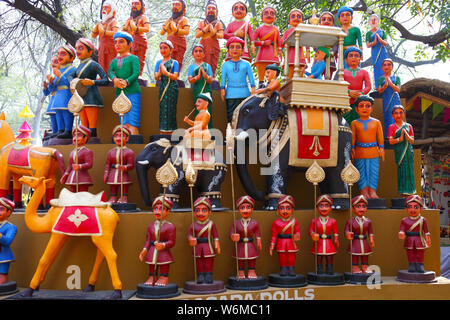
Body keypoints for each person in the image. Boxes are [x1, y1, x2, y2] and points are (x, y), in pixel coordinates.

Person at [71, 38, 109, 138]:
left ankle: (92, 138)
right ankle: (84, 140)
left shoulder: (93, 65)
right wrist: (73, 81)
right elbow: (70, 76)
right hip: (81, 97)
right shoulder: (78, 66)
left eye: (81, 48)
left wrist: (92, 82)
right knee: (83, 124)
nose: (78, 51)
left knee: (92, 125)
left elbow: (106, 80)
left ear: (90, 51)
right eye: (76, 48)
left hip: (92, 96)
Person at [351, 95, 385, 199]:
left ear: (372, 108)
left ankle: (372, 191)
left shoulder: (376, 122)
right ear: (356, 109)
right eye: (361, 106)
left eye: (368, 106)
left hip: (373, 151)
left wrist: (382, 148)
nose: (365, 108)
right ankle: (364, 192)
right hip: (359, 151)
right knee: (361, 172)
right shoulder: (354, 123)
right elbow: (352, 137)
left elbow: (380, 136)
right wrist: (352, 148)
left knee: (373, 171)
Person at [108, 31, 141, 135]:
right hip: (120, 93)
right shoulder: (113, 61)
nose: (117, 44)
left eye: (121, 42)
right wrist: (115, 80)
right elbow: (110, 71)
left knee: (133, 121)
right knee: (123, 120)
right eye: (116, 42)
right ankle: (123, 141)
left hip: (133, 92)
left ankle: (134, 141)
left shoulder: (133, 58)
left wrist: (127, 81)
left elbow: (136, 73)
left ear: (129, 44)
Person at [139, 196, 176, 286]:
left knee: (164, 263)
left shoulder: (170, 226)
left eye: (161, 209)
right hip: (152, 249)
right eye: (155, 208)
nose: (157, 211)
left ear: (168, 211)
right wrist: (144, 250)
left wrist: (163, 245)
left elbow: (172, 242)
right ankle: (152, 276)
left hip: (163, 251)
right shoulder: (151, 226)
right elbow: (148, 240)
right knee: (152, 264)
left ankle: (164, 277)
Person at [220, 37, 256, 123]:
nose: (235, 49)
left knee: (246, 117)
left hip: (245, 94)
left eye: (238, 47)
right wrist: (222, 90)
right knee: (231, 116)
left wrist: (253, 88)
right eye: (232, 47)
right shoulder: (225, 65)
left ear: (242, 50)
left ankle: (244, 135)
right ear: (228, 50)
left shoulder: (247, 64)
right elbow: (223, 79)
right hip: (231, 95)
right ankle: (232, 134)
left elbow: (251, 78)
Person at [187, 197, 221, 284]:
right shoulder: (193, 225)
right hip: (197, 247)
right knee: (199, 262)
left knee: (208, 262)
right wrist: (191, 239)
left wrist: (217, 244)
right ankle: (200, 275)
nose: (200, 213)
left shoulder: (211, 224)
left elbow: (215, 236)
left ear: (209, 212)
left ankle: (208, 274)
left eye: (204, 210)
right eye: (197, 210)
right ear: (194, 213)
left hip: (208, 247)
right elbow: (189, 235)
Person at [230, 195, 262, 279]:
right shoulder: (236, 223)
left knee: (252, 258)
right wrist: (233, 236)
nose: (245, 210)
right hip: (240, 244)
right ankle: (240, 271)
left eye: (248, 207)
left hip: (250, 244)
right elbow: (231, 232)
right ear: (239, 210)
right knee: (240, 259)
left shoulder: (255, 223)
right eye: (242, 208)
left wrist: (259, 241)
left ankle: (252, 271)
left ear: (252, 209)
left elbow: (258, 233)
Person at [398, 195, 431, 273]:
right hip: (409, 239)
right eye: (410, 207)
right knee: (410, 252)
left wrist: (428, 239)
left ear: (421, 208)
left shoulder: (423, 220)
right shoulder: (404, 220)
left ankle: (420, 265)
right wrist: (401, 233)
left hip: (419, 239)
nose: (413, 210)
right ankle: (412, 264)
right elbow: (402, 229)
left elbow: (426, 232)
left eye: (416, 207)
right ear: (406, 209)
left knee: (420, 253)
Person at [388, 105, 416, 196]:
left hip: (408, 151)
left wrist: (405, 134)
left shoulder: (409, 126)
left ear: (404, 114)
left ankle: (411, 192)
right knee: (402, 171)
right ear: (392, 115)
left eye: (400, 112)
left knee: (409, 171)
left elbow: (412, 140)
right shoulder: (391, 127)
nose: (398, 115)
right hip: (399, 152)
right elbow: (391, 141)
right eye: (396, 113)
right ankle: (402, 191)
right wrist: (399, 139)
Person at [269, 195, 300, 277]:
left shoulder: (294, 221)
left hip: (291, 242)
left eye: (288, 208)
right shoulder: (276, 223)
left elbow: (297, 232)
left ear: (292, 210)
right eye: (282, 208)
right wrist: (272, 245)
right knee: (282, 257)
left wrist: (297, 236)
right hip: (281, 242)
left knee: (291, 256)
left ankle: (291, 268)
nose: (285, 211)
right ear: (278, 210)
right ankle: (283, 269)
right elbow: (273, 236)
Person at [50, 45, 76, 139]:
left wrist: (60, 76)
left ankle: (68, 130)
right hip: (58, 95)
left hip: (67, 94)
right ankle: (60, 130)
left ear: (71, 57)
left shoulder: (73, 69)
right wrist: (50, 83)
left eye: (63, 54)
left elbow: (71, 83)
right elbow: (53, 87)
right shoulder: (59, 69)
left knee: (66, 112)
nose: (60, 56)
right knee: (58, 112)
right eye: (59, 54)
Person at [104, 125, 135, 203]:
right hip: (113, 172)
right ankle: (113, 197)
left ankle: (124, 197)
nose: (118, 138)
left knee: (124, 184)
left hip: (123, 173)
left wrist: (124, 167)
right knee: (113, 185)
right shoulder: (111, 152)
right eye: (116, 136)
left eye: (121, 136)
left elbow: (131, 165)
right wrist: (106, 173)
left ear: (127, 138)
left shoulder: (129, 152)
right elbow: (108, 164)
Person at [309, 194, 339, 274]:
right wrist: (313, 234)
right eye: (321, 206)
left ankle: (329, 268)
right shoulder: (314, 221)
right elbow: (310, 231)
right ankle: (319, 268)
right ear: (317, 208)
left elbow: (335, 232)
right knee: (319, 256)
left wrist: (336, 239)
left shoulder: (333, 221)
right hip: (319, 242)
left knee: (329, 256)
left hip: (328, 242)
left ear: (330, 208)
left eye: (326, 205)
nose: (324, 208)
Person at [154, 40, 180, 135]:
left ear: (171, 50)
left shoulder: (174, 62)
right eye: (161, 48)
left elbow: (175, 76)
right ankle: (163, 132)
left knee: (171, 110)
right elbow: (156, 77)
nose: (163, 50)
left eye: (165, 48)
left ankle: (172, 133)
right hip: (163, 87)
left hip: (172, 87)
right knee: (163, 110)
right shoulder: (158, 63)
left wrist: (165, 72)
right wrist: (161, 72)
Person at [345, 195, 375, 274]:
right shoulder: (350, 221)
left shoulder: (368, 221)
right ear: (353, 209)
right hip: (355, 241)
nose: (361, 209)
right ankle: (355, 267)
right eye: (358, 206)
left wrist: (371, 239)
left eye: (363, 206)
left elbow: (370, 231)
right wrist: (348, 233)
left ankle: (365, 266)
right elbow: (346, 230)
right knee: (355, 254)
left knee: (365, 254)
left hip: (364, 241)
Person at [253, 6, 282, 88]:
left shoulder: (276, 29)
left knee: (273, 70)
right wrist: (263, 42)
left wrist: (280, 53)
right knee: (261, 70)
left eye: (272, 13)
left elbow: (279, 43)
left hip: (273, 53)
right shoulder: (259, 29)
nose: (269, 15)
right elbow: (253, 42)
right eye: (266, 13)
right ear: (262, 18)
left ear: (275, 17)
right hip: (262, 54)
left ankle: (272, 85)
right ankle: (260, 84)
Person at [342, 47, 372, 125]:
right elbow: (339, 86)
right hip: (346, 103)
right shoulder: (342, 72)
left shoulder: (364, 72)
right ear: (346, 59)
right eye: (351, 55)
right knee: (345, 123)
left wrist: (361, 93)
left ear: (360, 59)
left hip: (360, 103)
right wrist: (348, 92)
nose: (353, 58)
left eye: (356, 55)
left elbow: (368, 86)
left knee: (359, 123)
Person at [60, 125, 94, 192]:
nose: (75, 138)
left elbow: (89, 164)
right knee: (72, 193)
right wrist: (65, 175)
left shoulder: (87, 151)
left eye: (78, 135)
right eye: (74, 136)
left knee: (82, 194)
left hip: (82, 177)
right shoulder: (72, 152)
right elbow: (70, 166)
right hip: (72, 177)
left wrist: (80, 166)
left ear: (85, 138)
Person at [195, 0, 224, 76]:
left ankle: (211, 77)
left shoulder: (218, 23)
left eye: (213, 8)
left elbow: (221, 35)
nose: (211, 10)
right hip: (203, 45)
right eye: (209, 8)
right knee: (201, 62)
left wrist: (213, 32)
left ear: (217, 13)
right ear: (205, 13)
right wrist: (205, 29)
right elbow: (197, 35)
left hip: (214, 46)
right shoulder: (201, 23)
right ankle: (200, 77)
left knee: (212, 64)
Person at [187, 44, 213, 128]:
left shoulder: (207, 66)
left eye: (200, 51)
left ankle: (208, 131)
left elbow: (210, 80)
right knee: (198, 110)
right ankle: (198, 131)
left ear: (204, 54)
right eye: (196, 51)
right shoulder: (191, 67)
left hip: (206, 91)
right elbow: (190, 80)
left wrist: (205, 76)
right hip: (197, 90)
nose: (198, 53)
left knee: (207, 110)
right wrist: (197, 77)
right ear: (193, 54)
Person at [160, 0, 190, 71]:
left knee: (177, 62)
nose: (175, 7)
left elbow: (186, 31)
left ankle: (175, 76)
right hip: (169, 44)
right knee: (167, 60)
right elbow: (161, 32)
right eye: (173, 5)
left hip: (180, 44)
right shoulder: (169, 20)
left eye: (177, 5)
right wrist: (167, 26)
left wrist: (176, 29)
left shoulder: (184, 19)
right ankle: (166, 75)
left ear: (183, 9)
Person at [122, 0, 150, 75]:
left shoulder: (143, 17)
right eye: (132, 4)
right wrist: (126, 27)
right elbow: (123, 32)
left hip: (140, 41)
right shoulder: (129, 19)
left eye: (136, 3)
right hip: (130, 42)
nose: (134, 5)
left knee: (139, 60)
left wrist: (135, 27)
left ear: (142, 7)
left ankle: (138, 75)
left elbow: (147, 29)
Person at [376, 58, 401, 139]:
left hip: (394, 99)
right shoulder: (380, 78)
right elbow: (379, 90)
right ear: (382, 67)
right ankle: (388, 136)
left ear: (392, 67)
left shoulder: (396, 77)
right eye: (384, 65)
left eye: (389, 64)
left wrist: (391, 84)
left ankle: (398, 134)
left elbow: (398, 89)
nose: (386, 66)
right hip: (386, 99)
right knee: (388, 116)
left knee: (397, 115)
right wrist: (385, 86)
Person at [92, 0, 119, 73]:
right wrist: (97, 27)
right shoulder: (101, 23)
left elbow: (116, 33)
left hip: (111, 48)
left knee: (111, 64)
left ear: (112, 10)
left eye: (106, 8)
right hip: (102, 48)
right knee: (102, 63)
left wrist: (104, 32)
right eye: (103, 8)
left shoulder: (113, 21)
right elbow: (93, 35)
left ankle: (111, 78)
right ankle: (103, 78)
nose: (104, 10)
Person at [281, 9, 310, 79]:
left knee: (299, 76)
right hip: (290, 56)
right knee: (289, 76)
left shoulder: (303, 31)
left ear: (302, 21)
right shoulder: (287, 32)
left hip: (300, 57)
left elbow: (307, 42)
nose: (296, 18)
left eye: (299, 17)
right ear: (289, 21)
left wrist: (308, 51)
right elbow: (282, 43)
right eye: (293, 16)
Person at [366, 14, 389, 85]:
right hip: (374, 52)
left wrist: (380, 39)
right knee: (376, 67)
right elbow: (368, 45)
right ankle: (378, 85)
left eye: (375, 19)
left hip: (382, 51)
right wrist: (374, 42)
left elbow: (385, 43)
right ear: (369, 22)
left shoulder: (382, 32)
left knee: (385, 66)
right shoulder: (368, 33)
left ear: (378, 21)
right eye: (371, 20)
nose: (373, 21)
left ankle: (386, 83)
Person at [0, 198, 17, 285]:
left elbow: (7, 241)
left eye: (1, 209)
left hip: (3, 256)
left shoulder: (11, 227)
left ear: (8, 212)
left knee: (2, 275)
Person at [42, 55, 59, 140]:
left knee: (60, 119)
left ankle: (59, 133)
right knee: (53, 119)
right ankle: (55, 133)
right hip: (52, 101)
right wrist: (45, 87)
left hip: (60, 101)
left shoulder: (61, 75)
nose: (53, 64)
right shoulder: (52, 77)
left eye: (56, 61)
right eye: (52, 62)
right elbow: (47, 92)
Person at [319, 11, 338, 79]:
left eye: (329, 19)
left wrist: (332, 52)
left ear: (332, 23)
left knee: (329, 77)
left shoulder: (335, 35)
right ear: (320, 23)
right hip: (319, 59)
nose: (326, 21)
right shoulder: (317, 34)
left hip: (330, 59)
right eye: (324, 19)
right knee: (318, 76)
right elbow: (315, 45)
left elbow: (336, 46)